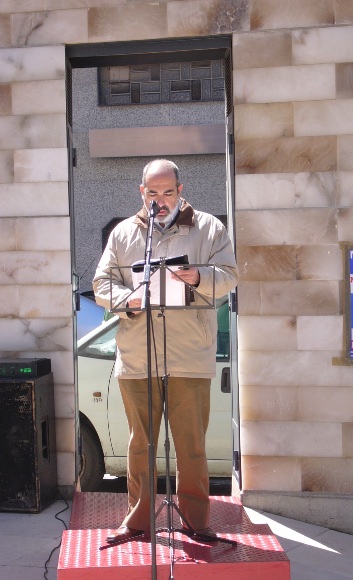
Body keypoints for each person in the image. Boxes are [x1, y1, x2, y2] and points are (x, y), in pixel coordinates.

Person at [92, 159, 239, 543]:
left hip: (190, 354)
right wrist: (129, 299)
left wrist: (199, 276)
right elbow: (101, 283)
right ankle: (138, 520)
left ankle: (196, 521)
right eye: (152, 193)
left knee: (191, 444)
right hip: (138, 355)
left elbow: (230, 274)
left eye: (167, 192)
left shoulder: (208, 227)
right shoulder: (125, 233)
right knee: (140, 444)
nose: (160, 200)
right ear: (142, 192)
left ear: (180, 189)